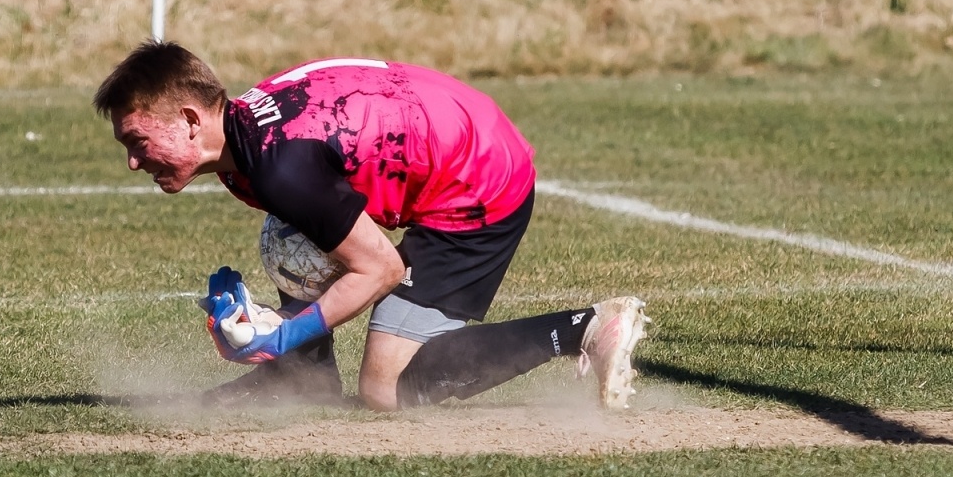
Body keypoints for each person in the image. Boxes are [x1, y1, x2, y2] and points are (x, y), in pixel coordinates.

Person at [93, 41, 650, 411]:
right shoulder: (245, 139)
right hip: (460, 139)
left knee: (387, 388)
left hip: (481, 181)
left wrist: (279, 335)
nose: (134, 163)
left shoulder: (280, 165)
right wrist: (280, 323)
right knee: (292, 236)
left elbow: (379, 267)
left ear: (191, 121)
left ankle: (584, 327)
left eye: (137, 143)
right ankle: (300, 379)